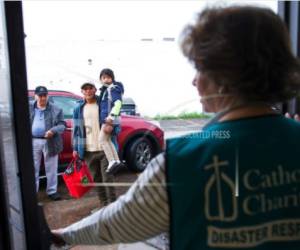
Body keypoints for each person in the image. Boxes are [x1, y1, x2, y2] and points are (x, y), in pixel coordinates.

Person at [52, 6, 300, 249]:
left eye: (200, 69)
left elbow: (118, 222)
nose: (194, 81)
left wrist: (63, 235)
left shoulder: (181, 161)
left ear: (226, 78)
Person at [72, 82, 116, 206]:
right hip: (88, 151)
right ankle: (104, 204)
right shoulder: (78, 109)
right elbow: (76, 130)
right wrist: (75, 147)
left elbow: (116, 122)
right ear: (82, 92)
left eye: (90, 88)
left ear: (95, 90)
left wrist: (113, 128)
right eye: (85, 89)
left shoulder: (103, 104)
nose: (88, 91)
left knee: (107, 178)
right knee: (96, 179)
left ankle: (113, 206)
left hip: (104, 148)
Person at [30, 86, 65, 201]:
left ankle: (52, 191)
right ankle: (32, 192)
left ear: (47, 96)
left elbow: (62, 125)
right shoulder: (28, 107)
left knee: (51, 167)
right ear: (35, 96)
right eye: (40, 95)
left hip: (50, 141)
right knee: (32, 168)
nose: (42, 98)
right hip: (33, 141)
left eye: (44, 95)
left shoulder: (56, 109)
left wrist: (53, 131)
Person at [98, 68, 124, 174]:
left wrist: (111, 117)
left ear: (112, 78)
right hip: (109, 119)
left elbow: (118, 103)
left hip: (109, 120)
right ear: (100, 79)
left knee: (102, 140)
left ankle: (112, 161)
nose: (106, 80)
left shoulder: (113, 88)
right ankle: (116, 161)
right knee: (108, 140)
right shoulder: (105, 90)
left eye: (108, 77)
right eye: (103, 78)